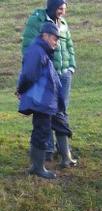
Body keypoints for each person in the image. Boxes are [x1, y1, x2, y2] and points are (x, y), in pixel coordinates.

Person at [22, 0, 76, 168]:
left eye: (64, 9)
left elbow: (68, 44)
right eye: (60, 8)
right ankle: (47, 151)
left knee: (60, 110)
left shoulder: (63, 23)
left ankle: (64, 154)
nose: (62, 12)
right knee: (45, 112)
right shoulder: (37, 21)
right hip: (46, 74)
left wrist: (71, 66)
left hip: (63, 72)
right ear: (52, 7)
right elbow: (28, 47)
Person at [16, 22, 63, 180]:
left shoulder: (42, 51)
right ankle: (38, 168)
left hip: (43, 100)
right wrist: (21, 90)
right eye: (55, 38)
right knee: (41, 131)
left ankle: (36, 166)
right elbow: (29, 75)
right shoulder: (37, 51)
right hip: (40, 100)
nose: (56, 42)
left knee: (40, 130)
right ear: (45, 36)